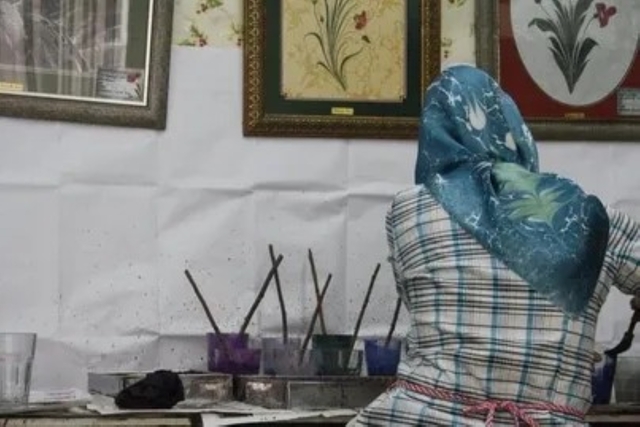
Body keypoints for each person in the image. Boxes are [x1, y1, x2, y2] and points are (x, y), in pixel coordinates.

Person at [349, 65, 640, 426]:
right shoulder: (598, 220)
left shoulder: (408, 209)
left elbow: (414, 297)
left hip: (419, 416)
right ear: (512, 127)